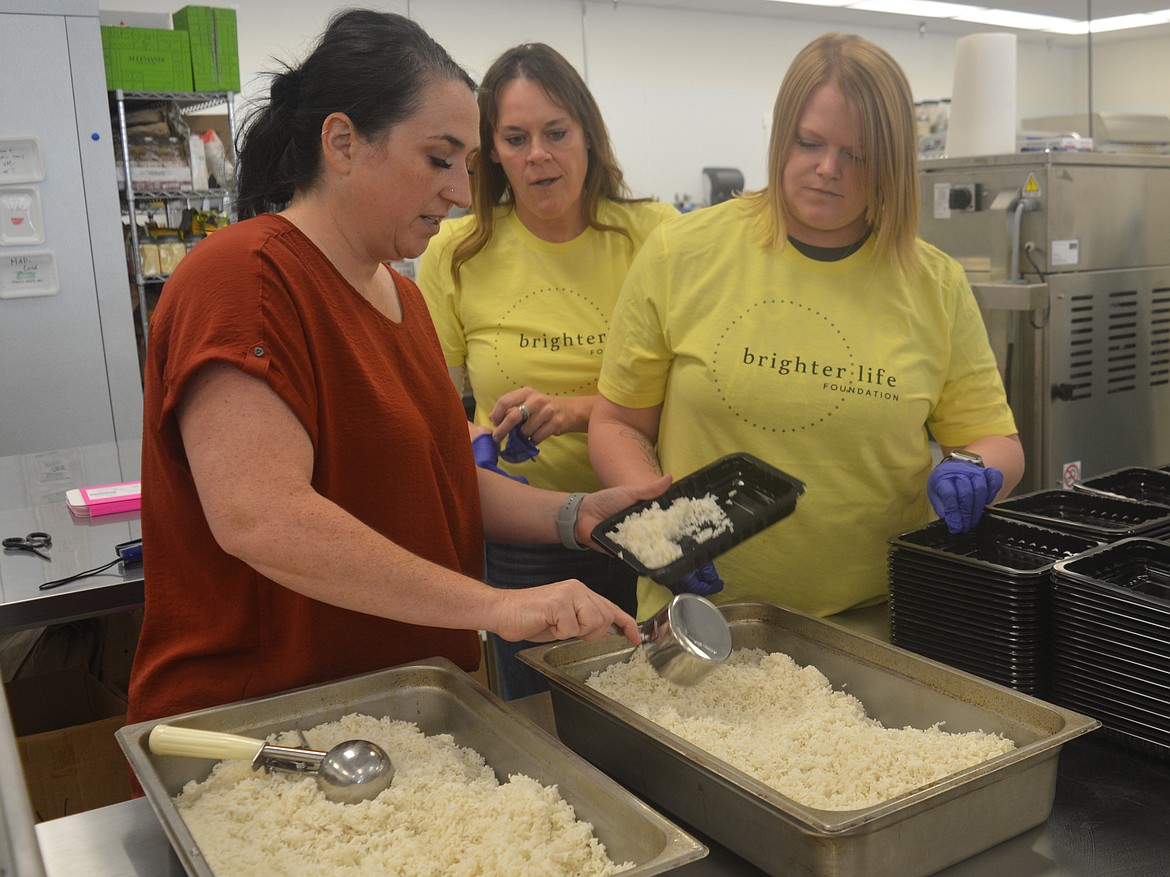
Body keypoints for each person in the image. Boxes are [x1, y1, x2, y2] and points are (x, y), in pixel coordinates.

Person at [125, 10, 663, 728]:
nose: (462, 195)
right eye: (440, 159)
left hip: (395, 709)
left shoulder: (399, 295)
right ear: (343, 142)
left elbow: (437, 478)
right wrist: (496, 605)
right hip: (265, 726)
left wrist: (572, 517)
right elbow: (263, 516)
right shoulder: (243, 278)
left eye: (468, 167)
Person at [588, 33, 1024, 623]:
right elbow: (617, 423)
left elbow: (995, 440)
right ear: (780, 136)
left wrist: (976, 470)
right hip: (699, 617)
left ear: (893, 161)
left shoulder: (934, 283)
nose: (827, 169)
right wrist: (662, 528)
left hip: (876, 619)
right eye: (809, 142)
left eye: (859, 154)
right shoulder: (681, 254)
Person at [418, 43, 679, 700]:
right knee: (547, 725)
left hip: (648, 517)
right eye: (515, 137)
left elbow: (695, 389)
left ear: (588, 134)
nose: (538, 154)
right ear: (492, 153)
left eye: (556, 132)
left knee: (663, 715)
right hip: (526, 529)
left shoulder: (655, 236)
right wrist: (480, 434)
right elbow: (437, 403)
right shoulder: (455, 250)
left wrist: (580, 409)